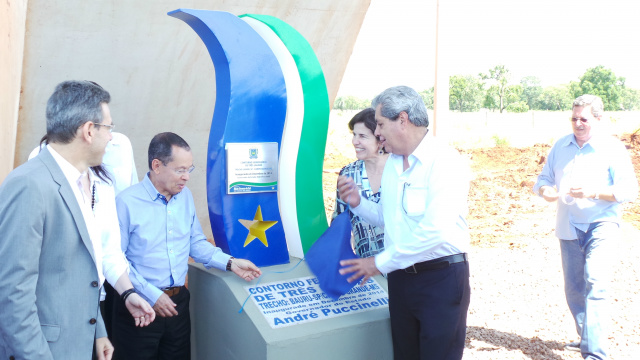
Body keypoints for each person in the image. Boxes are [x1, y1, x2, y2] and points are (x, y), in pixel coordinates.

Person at [0, 80, 150, 360]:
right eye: (109, 127)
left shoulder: (80, 182)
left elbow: (82, 272)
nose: (112, 138)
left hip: (77, 341)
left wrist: (98, 331)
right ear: (89, 131)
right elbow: (12, 295)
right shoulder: (29, 185)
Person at [338, 86, 471, 360]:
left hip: (439, 280)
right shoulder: (394, 165)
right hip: (400, 280)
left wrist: (377, 262)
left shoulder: (445, 162)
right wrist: (358, 203)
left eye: (381, 124)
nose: (377, 133)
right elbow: (390, 219)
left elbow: (435, 230)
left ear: (402, 119)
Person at [112, 132, 262, 359]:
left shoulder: (185, 197)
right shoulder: (126, 203)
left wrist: (231, 263)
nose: (186, 177)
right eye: (180, 170)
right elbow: (115, 260)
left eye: (189, 170)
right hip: (138, 307)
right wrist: (151, 294)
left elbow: (196, 243)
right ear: (157, 166)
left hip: (177, 305)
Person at [533, 94, 638, 359]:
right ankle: (586, 338)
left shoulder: (613, 148)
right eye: (574, 118)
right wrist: (545, 190)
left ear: (599, 120)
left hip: (601, 225)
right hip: (568, 226)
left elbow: (628, 190)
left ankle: (595, 354)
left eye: (584, 119)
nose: (578, 123)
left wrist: (594, 192)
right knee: (574, 289)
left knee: (596, 282)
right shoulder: (560, 146)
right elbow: (543, 179)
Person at [332, 108, 389, 258]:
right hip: (366, 271)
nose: (355, 141)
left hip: (401, 269)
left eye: (362, 136)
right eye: (354, 135)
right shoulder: (348, 174)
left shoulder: (400, 171)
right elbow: (339, 221)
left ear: (380, 140)